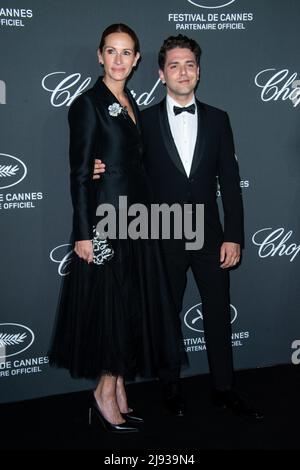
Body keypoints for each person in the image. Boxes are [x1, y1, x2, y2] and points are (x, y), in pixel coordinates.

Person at [94, 34, 264, 420]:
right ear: (160, 72)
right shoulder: (144, 120)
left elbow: (231, 183)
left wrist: (234, 234)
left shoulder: (219, 119)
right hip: (162, 231)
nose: (183, 71)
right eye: (174, 65)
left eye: (189, 64)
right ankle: (170, 388)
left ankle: (224, 388)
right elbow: (125, 167)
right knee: (165, 313)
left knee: (218, 312)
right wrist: (97, 169)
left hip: (210, 233)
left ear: (198, 71)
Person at [49, 24, 184, 434]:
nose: (119, 60)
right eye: (112, 51)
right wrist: (83, 232)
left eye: (127, 53)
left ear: (138, 59)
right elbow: (78, 174)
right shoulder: (87, 104)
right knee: (111, 310)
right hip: (106, 223)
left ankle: (119, 388)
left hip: (138, 222)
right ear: (100, 55)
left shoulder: (132, 104)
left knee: (129, 309)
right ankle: (102, 394)